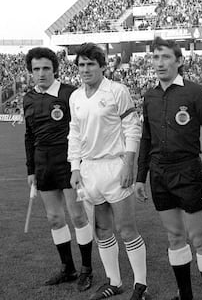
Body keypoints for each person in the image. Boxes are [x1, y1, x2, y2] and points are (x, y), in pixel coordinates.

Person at [135, 37, 202, 300]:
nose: (159, 63)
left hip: (188, 172)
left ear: (179, 61)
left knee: (199, 239)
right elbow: (146, 138)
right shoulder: (149, 96)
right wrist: (141, 177)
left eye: (166, 58)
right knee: (174, 237)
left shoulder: (193, 92)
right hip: (159, 174)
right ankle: (185, 295)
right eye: (156, 58)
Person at [67, 43, 148, 300]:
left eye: (91, 64)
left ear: (103, 66)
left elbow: (132, 128)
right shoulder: (75, 97)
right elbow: (75, 135)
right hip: (89, 171)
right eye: (81, 64)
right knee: (102, 230)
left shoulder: (117, 91)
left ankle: (140, 285)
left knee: (126, 228)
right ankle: (115, 282)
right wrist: (75, 168)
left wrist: (128, 163)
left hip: (115, 166)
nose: (85, 69)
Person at [23, 47, 94, 291]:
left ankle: (87, 269)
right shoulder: (28, 98)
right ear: (30, 72)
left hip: (68, 163)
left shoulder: (69, 94)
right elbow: (29, 136)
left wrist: (79, 164)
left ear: (55, 69)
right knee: (54, 218)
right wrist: (31, 170)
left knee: (77, 216)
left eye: (45, 68)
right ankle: (68, 268)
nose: (41, 73)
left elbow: (81, 131)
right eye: (36, 69)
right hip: (43, 165)